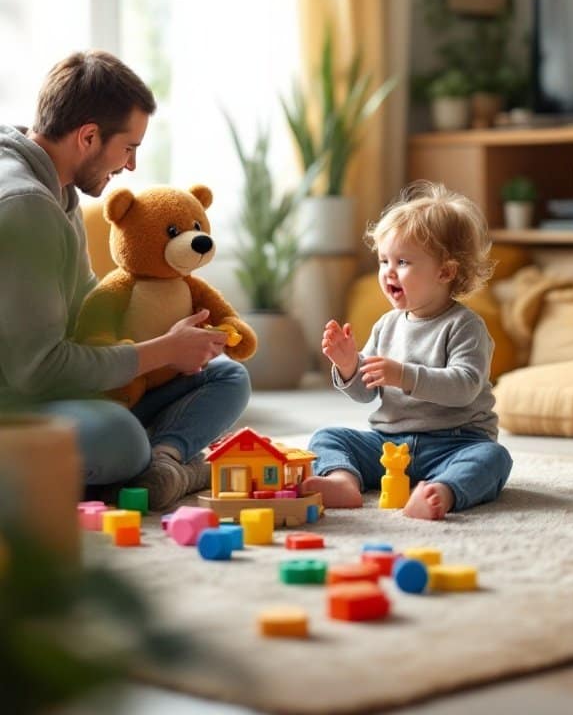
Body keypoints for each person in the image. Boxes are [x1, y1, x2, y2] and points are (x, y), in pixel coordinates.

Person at [0, 51, 251, 510]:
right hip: (16, 406)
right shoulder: (24, 204)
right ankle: (159, 461)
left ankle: (161, 462)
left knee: (226, 375)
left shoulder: (58, 186)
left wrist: (169, 338)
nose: (131, 166)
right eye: (129, 147)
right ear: (88, 136)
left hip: (50, 392)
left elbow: (85, 309)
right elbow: (36, 370)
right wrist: (159, 352)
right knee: (121, 440)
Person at [300, 180, 512, 520]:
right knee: (328, 437)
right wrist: (349, 366)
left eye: (402, 262)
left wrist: (404, 375)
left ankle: (440, 492)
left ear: (445, 271)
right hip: (389, 445)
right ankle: (343, 482)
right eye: (384, 261)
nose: (388, 273)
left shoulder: (465, 326)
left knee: (494, 458)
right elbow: (366, 395)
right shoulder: (387, 324)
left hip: (455, 443)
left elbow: (464, 387)